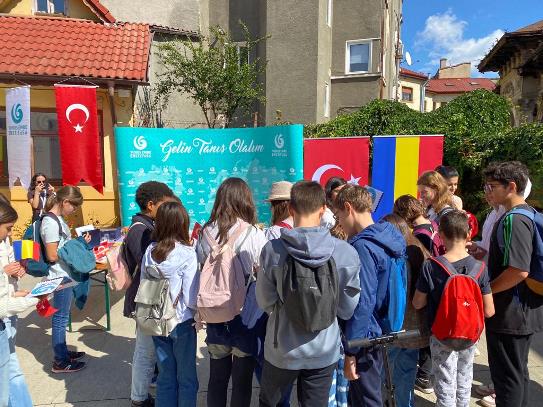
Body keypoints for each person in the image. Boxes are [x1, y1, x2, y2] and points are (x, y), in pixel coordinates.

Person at [256, 180, 361, 407]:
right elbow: (347, 309)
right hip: (324, 349)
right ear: (323, 209)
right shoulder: (345, 253)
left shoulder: (273, 251)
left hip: (282, 347)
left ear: (290, 208)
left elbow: (265, 300)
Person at [196, 177, 268, 407]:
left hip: (215, 313)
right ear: (245, 200)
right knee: (242, 381)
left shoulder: (206, 232)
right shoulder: (253, 233)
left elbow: (200, 265)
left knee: (217, 378)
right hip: (244, 314)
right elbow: (263, 269)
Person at [333, 184, 406, 407]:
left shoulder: (363, 246)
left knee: (366, 399)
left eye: (338, 216)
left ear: (348, 208)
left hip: (365, 336)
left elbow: (362, 301)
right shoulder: (389, 236)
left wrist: (351, 349)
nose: (339, 223)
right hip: (381, 328)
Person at [413, 210, 495, 407]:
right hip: (470, 336)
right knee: (464, 378)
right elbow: (489, 311)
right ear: (469, 234)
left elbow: (418, 303)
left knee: (444, 381)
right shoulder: (480, 268)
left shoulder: (431, 266)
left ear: (441, 234)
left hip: (441, 335)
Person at [483, 162, 543, 407]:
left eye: (492, 186)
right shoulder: (526, 213)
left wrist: (486, 291)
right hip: (519, 311)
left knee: (508, 380)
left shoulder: (514, 220)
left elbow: (518, 271)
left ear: (511, 186)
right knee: (517, 375)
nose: (488, 191)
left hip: (511, 313)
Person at [140, 201, 199, 407]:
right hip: (181, 321)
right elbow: (191, 297)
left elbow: (144, 284)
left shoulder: (150, 251)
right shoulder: (187, 254)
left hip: (155, 318)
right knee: (187, 378)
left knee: (165, 375)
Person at [124, 181, 176, 407]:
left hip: (151, 298)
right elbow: (151, 264)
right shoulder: (140, 230)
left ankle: (143, 392)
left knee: (149, 351)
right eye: (164, 205)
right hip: (146, 299)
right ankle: (139, 398)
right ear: (151, 205)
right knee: (144, 352)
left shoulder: (148, 226)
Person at [393, 194, 439, 394]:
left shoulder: (418, 237)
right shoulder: (431, 226)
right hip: (426, 301)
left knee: (404, 362)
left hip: (416, 302)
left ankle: (423, 377)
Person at [382, 214, 430, 407]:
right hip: (416, 329)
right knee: (407, 374)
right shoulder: (421, 251)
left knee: (385, 373)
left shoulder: (395, 259)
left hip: (394, 328)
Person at [41, 186, 90, 373]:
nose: (75, 210)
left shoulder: (58, 219)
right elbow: (52, 255)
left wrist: (76, 244)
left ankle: (63, 352)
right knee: (60, 318)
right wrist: (75, 247)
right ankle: (60, 361)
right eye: (74, 206)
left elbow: (61, 246)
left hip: (64, 274)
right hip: (58, 276)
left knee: (63, 316)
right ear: (65, 202)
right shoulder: (50, 222)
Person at [0, 201, 39, 406]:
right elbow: (2, 306)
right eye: (8, 228)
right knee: (9, 372)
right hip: (5, 313)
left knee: (11, 367)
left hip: (10, 305)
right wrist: (32, 299)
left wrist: (16, 289)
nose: (10, 233)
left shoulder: (4, 240)